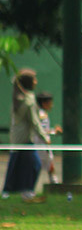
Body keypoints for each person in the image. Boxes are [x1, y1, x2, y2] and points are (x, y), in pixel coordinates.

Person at [2, 68, 46, 202]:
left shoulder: (19, 97)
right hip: (24, 139)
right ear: (29, 83)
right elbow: (34, 121)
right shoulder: (29, 100)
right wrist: (44, 137)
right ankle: (26, 191)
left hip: (17, 138)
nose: (36, 81)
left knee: (17, 164)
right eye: (34, 79)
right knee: (35, 165)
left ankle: (8, 191)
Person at [36, 91, 61, 184]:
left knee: (49, 164)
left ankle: (54, 182)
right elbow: (42, 130)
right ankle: (54, 183)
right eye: (50, 102)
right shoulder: (42, 115)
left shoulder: (41, 113)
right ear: (44, 103)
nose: (52, 105)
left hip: (41, 145)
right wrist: (54, 131)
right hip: (42, 145)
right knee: (46, 164)